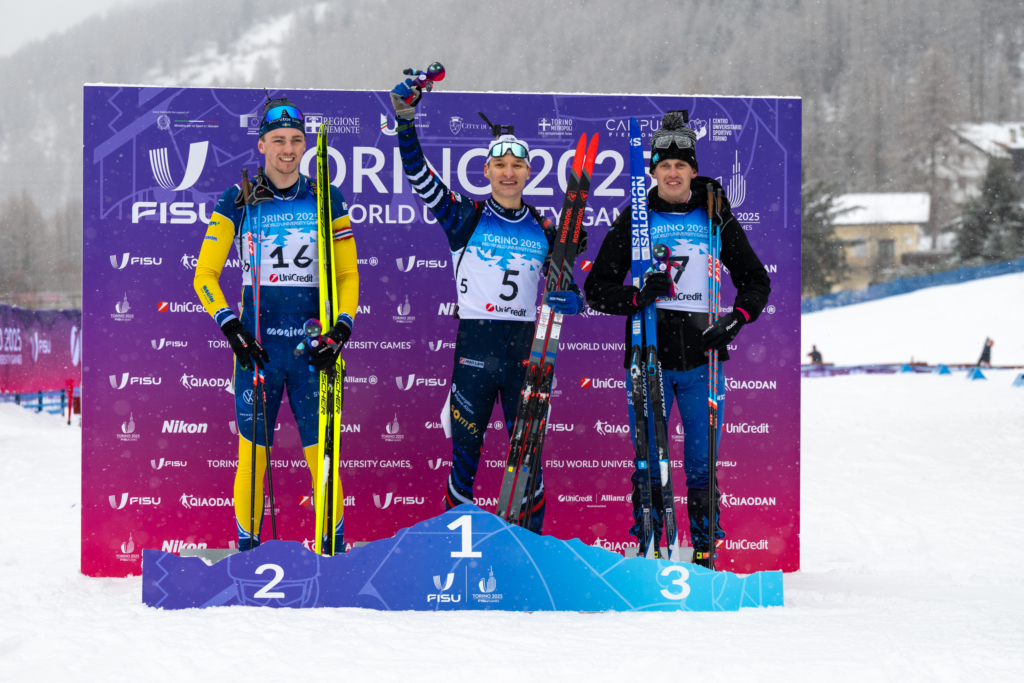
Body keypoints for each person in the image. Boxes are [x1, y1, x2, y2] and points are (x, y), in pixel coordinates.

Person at [389, 74, 586, 533]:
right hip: (475, 347)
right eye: (500, 164)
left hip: (525, 352)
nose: (508, 172)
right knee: (465, 457)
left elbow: (565, 283)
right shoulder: (465, 215)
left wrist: (572, 299)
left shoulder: (544, 227)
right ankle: (458, 550)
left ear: (529, 172)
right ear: (486, 171)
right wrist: (406, 121)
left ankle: (531, 549)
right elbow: (419, 175)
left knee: (528, 458)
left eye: (517, 165)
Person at [584, 111, 771, 567]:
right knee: (650, 461)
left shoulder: (715, 216)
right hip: (648, 356)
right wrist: (636, 295)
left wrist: (735, 320)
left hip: (702, 358)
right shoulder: (636, 217)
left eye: (680, 166)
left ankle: (705, 554)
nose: (672, 173)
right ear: (653, 171)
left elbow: (755, 280)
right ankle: (651, 551)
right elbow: (596, 289)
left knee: (702, 464)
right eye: (664, 165)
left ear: (692, 170)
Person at [193, 95, 359, 551]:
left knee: (325, 462)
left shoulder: (326, 196)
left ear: (305, 145)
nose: (288, 149)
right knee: (252, 459)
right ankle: (248, 556)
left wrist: (341, 330)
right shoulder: (239, 198)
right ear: (262, 145)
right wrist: (232, 328)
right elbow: (204, 274)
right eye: (278, 140)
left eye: (296, 140)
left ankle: (331, 556)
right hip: (258, 349)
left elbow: (347, 274)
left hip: (313, 351)